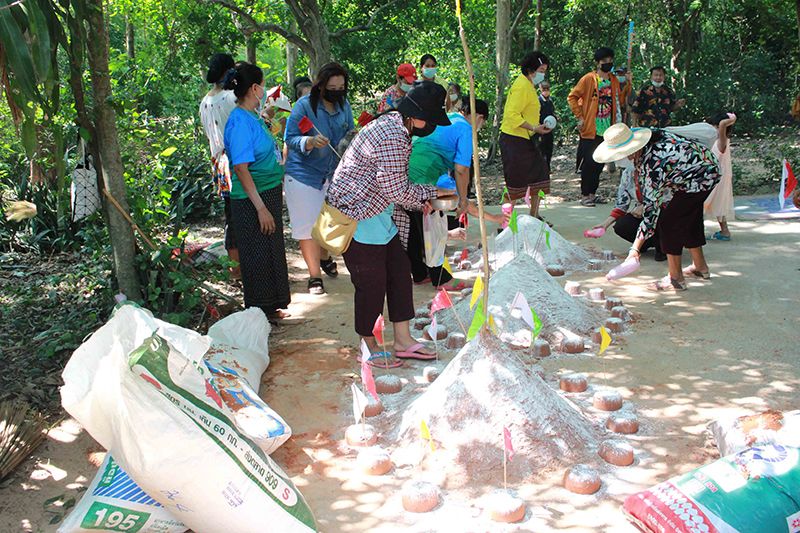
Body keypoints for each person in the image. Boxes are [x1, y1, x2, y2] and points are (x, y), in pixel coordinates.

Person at [325, 82, 451, 365]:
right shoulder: (393, 134)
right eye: (430, 120)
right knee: (372, 284)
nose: (431, 126)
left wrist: (424, 195)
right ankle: (368, 346)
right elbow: (396, 190)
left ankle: (404, 340)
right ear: (417, 116)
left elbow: (393, 186)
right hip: (359, 215)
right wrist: (431, 193)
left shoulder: (396, 124)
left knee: (399, 271)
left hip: (379, 214)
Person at [593, 123, 720, 291]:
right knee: (691, 217)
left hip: (700, 177)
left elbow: (651, 211)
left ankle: (675, 279)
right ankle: (700, 267)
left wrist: (635, 249)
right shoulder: (651, 141)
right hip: (703, 170)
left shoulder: (653, 161)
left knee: (668, 222)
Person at [405, 97, 505, 287]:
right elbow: (462, 170)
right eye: (482, 123)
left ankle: (419, 273)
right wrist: (464, 199)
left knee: (415, 225)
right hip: (423, 174)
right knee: (431, 223)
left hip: (408, 168)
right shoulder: (465, 129)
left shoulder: (446, 117)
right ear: (479, 117)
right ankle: (439, 277)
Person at [222, 62, 290, 321]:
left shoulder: (253, 115)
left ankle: (272, 306)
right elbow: (240, 168)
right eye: (262, 85)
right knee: (257, 254)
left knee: (270, 249)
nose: (264, 89)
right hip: (252, 199)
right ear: (253, 88)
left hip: (268, 191)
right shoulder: (239, 121)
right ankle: (259, 311)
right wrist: (260, 207)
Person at [284, 63, 354, 294]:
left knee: (331, 222)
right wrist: (309, 142)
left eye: (341, 87)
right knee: (306, 228)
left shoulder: (344, 106)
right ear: (321, 85)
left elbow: (350, 134)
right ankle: (314, 277)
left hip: (334, 174)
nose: (337, 90)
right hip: (304, 175)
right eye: (332, 87)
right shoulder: (304, 106)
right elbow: (290, 138)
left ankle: (324, 257)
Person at [568, 46, 630, 207]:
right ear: (598, 63)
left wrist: (628, 84)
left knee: (599, 163)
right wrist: (579, 116)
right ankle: (585, 195)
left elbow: (621, 101)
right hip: (591, 128)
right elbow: (573, 97)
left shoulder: (614, 80)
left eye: (610, 61)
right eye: (604, 61)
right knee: (589, 162)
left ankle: (593, 193)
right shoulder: (589, 79)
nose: (608, 64)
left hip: (608, 129)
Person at [200, 53, 240, 278]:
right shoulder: (230, 98)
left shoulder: (205, 101)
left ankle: (235, 268)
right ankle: (240, 267)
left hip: (218, 163)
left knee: (230, 214)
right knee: (241, 215)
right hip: (235, 162)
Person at [499, 51, 553, 219]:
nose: (543, 74)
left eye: (545, 70)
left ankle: (534, 216)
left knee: (540, 173)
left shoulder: (528, 85)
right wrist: (534, 128)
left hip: (524, 138)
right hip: (513, 139)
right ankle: (505, 221)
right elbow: (511, 115)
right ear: (531, 69)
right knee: (515, 181)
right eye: (541, 69)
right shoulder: (521, 86)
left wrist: (536, 127)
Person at [586, 159, 666, 261]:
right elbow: (621, 205)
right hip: (643, 213)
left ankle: (663, 247)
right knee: (622, 225)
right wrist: (605, 224)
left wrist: (646, 206)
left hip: (662, 209)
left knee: (657, 217)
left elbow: (666, 195)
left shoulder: (657, 168)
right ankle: (645, 243)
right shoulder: (627, 173)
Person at [704, 112, 738, 240]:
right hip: (715, 177)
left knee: (705, 203)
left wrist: (732, 119)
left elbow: (723, 124)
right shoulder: (714, 139)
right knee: (718, 203)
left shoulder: (722, 140)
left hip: (717, 179)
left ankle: (696, 231)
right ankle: (725, 231)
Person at [536, 80, 555, 168]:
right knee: (541, 149)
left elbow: (552, 112)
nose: (546, 91)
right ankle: (542, 168)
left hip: (550, 128)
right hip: (541, 129)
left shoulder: (550, 101)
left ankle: (548, 166)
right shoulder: (538, 101)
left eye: (548, 89)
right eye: (544, 89)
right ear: (540, 90)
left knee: (549, 148)